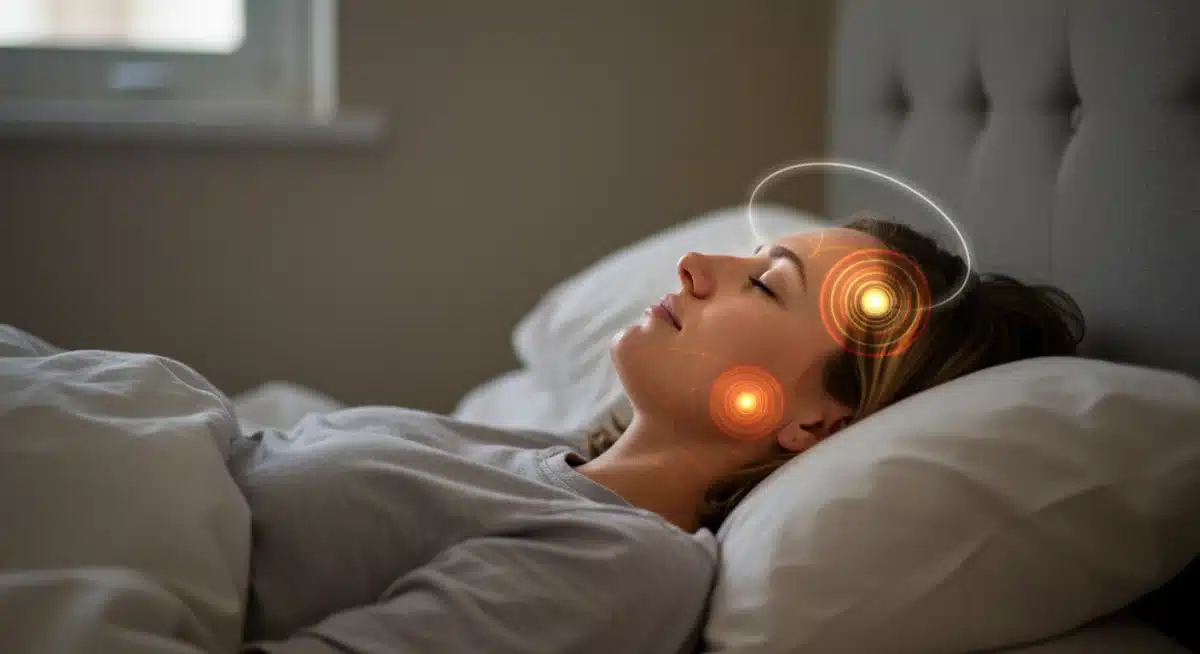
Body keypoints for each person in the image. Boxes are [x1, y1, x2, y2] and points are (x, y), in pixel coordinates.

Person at [236, 213, 1084, 654]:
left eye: (764, 286)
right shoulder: (533, 456)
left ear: (812, 421)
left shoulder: (622, 568)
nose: (698, 268)